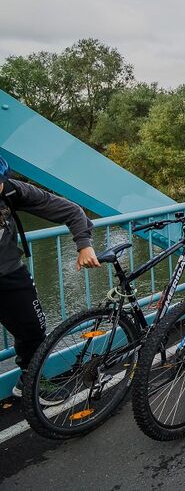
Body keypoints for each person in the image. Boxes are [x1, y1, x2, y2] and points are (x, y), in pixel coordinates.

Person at [1, 158, 100, 398]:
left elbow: (71, 210)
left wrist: (84, 245)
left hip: (9, 273)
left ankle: (31, 381)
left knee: (34, 331)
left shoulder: (14, 190)